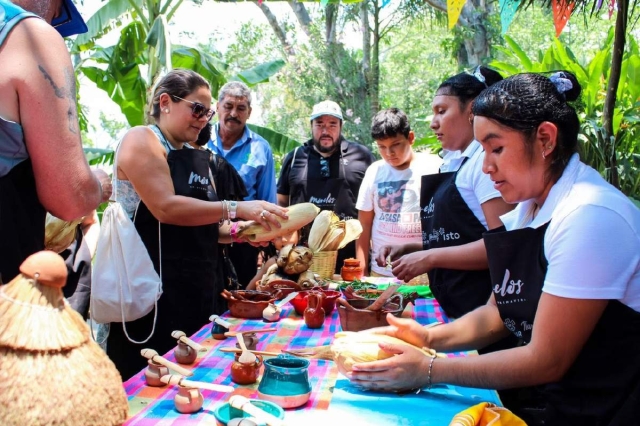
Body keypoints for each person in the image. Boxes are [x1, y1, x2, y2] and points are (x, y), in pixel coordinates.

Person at [350, 72, 640, 426]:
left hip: (605, 411)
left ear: (545, 139)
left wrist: (429, 369)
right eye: (483, 151)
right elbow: (497, 314)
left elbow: (547, 358)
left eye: (496, 148)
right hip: (555, 404)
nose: (486, 167)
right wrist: (426, 336)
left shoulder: (589, 215)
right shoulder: (527, 211)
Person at [106, 69, 287, 380]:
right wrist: (238, 207)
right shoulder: (141, 139)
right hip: (151, 292)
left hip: (192, 293)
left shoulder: (195, 155)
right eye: (197, 109)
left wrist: (242, 232)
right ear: (165, 102)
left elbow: (200, 225)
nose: (205, 119)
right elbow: (166, 208)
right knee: (146, 381)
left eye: (208, 112)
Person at [376, 67, 514, 319]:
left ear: (472, 110)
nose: (433, 123)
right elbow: (459, 236)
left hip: (482, 312)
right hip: (454, 307)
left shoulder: (485, 166)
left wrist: (429, 257)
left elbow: (503, 246)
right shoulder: (454, 163)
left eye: (442, 111)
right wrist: (411, 248)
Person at [0, 0, 111, 283]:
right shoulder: (29, 35)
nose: (54, 21)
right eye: (59, 13)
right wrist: (97, 186)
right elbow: (70, 197)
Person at [277, 100, 375, 272]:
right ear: (311, 126)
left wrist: (364, 263)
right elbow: (282, 203)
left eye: (332, 125)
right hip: (302, 258)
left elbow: (374, 206)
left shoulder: (361, 156)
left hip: (350, 258)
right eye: (319, 124)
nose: (325, 131)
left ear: (341, 127)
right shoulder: (294, 158)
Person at [355, 108, 441, 277]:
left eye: (395, 145)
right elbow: (364, 224)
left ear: (410, 138)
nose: (389, 153)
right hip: (382, 272)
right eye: (382, 147)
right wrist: (362, 273)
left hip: (424, 272)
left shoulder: (435, 167)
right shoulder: (374, 171)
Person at [207, 81, 278, 287]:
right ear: (217, 107)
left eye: (241, 108)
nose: (233, 113)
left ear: (249, 112)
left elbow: (267, 201)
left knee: (240, 296)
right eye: (228, 106)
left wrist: (265, 239)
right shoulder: (199, 141)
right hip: (204, 231)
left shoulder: (260, 148)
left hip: (244, 236)